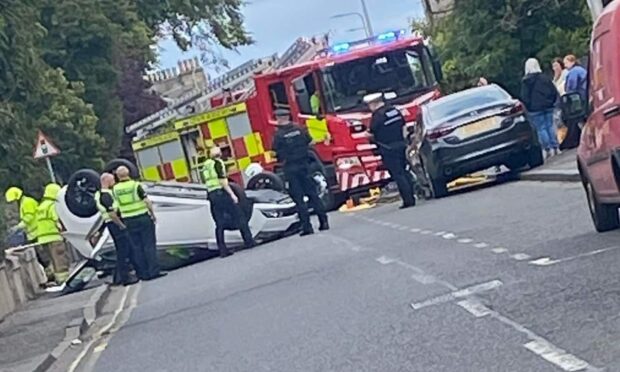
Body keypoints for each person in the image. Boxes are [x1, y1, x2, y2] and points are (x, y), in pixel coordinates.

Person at [272, 108, 329, 236]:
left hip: (291, 169)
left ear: (280, 119)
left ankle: (307, 226)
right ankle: (323, 222)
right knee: (313, 194)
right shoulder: (300, 129)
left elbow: (275, 152)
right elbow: (310, 142)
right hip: (305, 166)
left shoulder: (278, 135)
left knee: (299, 199)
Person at [112, 166, 164, 281]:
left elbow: (115, 208)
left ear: (118, 176)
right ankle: (154, 271)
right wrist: (153, 214)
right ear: (128, 173)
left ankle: (144, 274)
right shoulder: (135, 185)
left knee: (137, 247)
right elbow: (146, 201)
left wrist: (120, 222)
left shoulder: (115, 190)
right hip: (142, 217)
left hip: (128, 220)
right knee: (149, 245)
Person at [202, 146, 256, 258]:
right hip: (221, 192)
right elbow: (222, 180)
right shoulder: (218, 163)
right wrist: (232, 194)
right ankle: (249, 241)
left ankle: (222, 250)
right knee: (239, 215)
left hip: (211, 194)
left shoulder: (206, 165)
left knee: (219, 223)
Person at [365, 93, 416, 209]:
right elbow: (404, 126)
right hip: (401, 144)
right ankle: (413, 195)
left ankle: (408, 200)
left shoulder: (377, 116)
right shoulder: (394, 111)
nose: (369, 107)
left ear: (374, 103)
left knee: (397, 174)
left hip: (387, 148)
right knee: (405, 171)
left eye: (370, 105)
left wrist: (366, 135)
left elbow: (370, 133)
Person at [95, 173, 138, 286]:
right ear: (107, 181)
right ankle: (125, 278)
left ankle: (120, 277)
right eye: (112, 180)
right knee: (123, 251)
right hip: (115, 224)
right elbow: (112, 213)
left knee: (124, 250)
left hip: (112, 224)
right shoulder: (106, 195)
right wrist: (121, 225)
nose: (114, 182)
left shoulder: (101, 194)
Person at [521, 58, 560, 158]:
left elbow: (525, 97)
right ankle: (555, 146)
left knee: (541, 128)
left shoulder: (526, 81)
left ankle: (547, 149)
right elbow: (553, 91)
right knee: (550, 126)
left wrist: (529, 106)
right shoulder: (544, 78)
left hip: (535, 109)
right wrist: (551, 101)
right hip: (548, 106)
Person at [36, 183, 71, 284]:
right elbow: (57, 221)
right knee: (60, 259)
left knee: (52, 260)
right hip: (54, 237)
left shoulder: (40, 207)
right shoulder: (52, 206)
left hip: (42, 239)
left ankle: (53, 278)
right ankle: (64, 280)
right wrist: (64, 232)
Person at [561, 54, 588, 150]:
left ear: (572, 62)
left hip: (579, 98)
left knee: (579, 118)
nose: (565, 65)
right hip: (586, 95)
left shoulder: (573, 72)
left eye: (566, 63)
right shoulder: (581, 70)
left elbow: (571, 87)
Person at [551, 58, 569, 144]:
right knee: (559, 122)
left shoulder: (565, 74)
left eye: (556, 65)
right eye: (553, 66)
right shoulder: (555, 78)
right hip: (558, 101)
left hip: (565, 99)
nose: (555, 68)